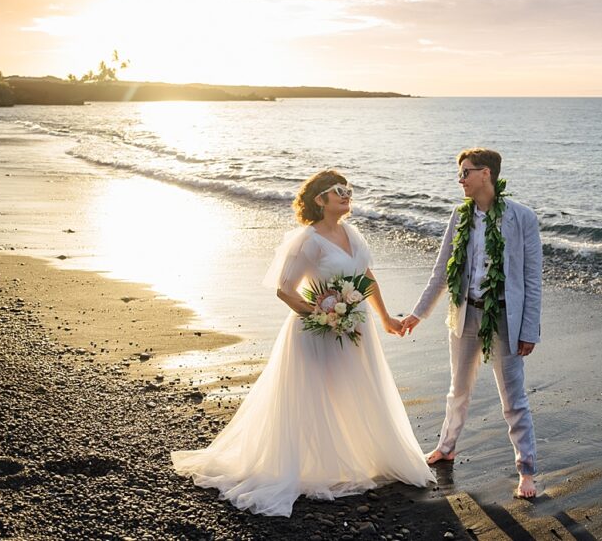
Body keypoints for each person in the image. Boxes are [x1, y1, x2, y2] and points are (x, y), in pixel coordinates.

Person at [171, 169, 435, 517]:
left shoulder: (352, 234)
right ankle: (316, 465)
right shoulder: (307, 240)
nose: (346, 195)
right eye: (338, 190)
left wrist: (386, 318)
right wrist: (322, 313)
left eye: (349, 190)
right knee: (315, 396)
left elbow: (367, 278)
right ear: (320, 199)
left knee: (355, 389)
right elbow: (285, 289)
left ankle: (357, 457)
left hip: (356, 330)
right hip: (317, 331)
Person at [401, 148, 542, 499]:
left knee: (513, 398)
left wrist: (529, 330)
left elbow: (532, 278)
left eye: (466, 172)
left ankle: (527, 470)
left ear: (486, 175)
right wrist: (417, 314)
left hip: (505, 317)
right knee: (458, 389)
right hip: (465, 313)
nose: (460, 179)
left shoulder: (522, 218)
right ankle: (446, 447)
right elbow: (441, 271)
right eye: (459, 173)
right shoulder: (459, 216)